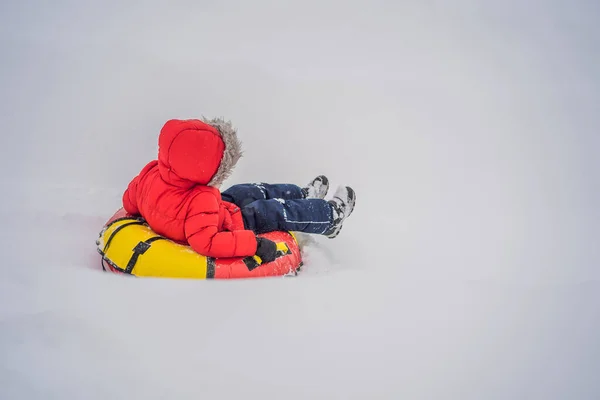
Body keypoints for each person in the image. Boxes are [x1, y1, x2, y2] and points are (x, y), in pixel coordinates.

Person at [122, 118, 356, 263]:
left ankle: (303, 195)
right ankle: (329, 217)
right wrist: (253, 244)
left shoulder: (151, 173)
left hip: (207, 207)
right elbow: (207, 243)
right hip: (228, 223)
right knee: (269, 210)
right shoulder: (200, 198)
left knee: (243, 191)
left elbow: (130, 202)